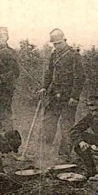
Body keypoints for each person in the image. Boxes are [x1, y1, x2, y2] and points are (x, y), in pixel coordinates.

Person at [39, 28, 85, 157]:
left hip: (68, 96)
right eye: (54, 44)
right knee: (48, 122)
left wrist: (74, 97)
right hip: (54, 95)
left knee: (66, 125)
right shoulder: (54, 55)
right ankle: (44, 152)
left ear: (65, 41)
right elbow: (49, 72)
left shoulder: (74, 55)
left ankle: (64, 155)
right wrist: (44, 87)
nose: (56, 46)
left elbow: (79, 77)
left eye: (59, 43)